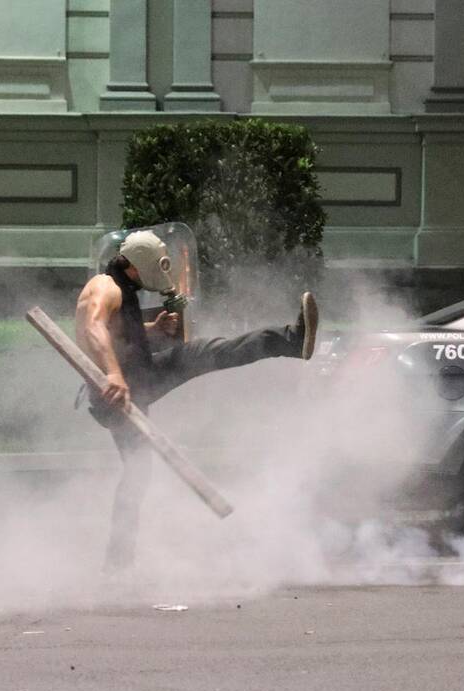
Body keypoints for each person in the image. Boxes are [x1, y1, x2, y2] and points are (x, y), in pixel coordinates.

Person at [74, 229, 318, 571]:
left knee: (138, 473)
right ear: (136, 266)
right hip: (116, 390)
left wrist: (153, 330)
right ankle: (291, 341)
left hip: (137, 379)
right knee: (201, 356)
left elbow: (119, 334)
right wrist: (113, 375)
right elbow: (92, 329)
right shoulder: (104, 287)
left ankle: (117, 567)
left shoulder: (123, 289)